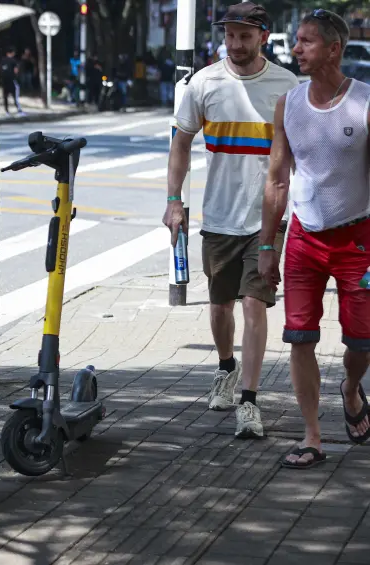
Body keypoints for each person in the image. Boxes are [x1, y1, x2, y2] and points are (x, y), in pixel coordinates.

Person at [162, 2, 299, 439]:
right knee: (221, 307)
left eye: (244, 35)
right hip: (219, 216)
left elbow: (301, 153)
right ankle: (226, 366)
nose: (235, 44)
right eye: (229, 35)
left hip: (267, 219)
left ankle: (250, 401)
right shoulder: (204, 83)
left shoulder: (286, 86)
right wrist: (174, 201)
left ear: (263, 36)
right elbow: (181, 143)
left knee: (254, 304)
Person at [259, 10, 370, 469]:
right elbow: (277, 179)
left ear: (333, 49)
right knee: (299, 337)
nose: (296, 49)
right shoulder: (288, 104)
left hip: (358, 238)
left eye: (306, 41)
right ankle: (312, 437)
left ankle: (351, 387)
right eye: (297, 40)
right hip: (304, 238)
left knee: (362, 341)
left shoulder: (364, 101)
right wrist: (268, 246)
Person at [1, 47, 24, 115]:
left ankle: (7, 111)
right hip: (12, 80)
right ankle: (19, 110)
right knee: (15, 96)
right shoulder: (13, 61)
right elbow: (16, 70)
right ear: (12, 53)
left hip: (4, 81)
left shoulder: (2, 60)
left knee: (5, 97)